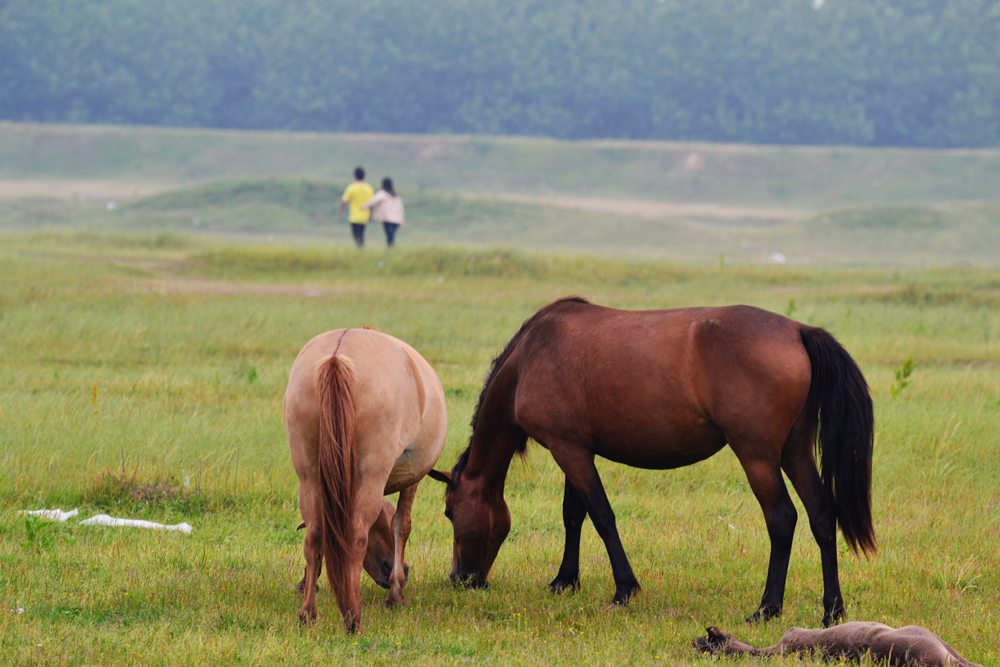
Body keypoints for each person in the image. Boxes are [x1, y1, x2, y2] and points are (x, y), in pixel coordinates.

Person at [362, 177, 405, 247]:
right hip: (397, 220)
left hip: (388, 219)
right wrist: (401, 220)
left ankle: (391, 249)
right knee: (391, 235)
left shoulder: (382, 193)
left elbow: (372, 201)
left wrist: (363, 207)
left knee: (390, 235)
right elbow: (401, 209)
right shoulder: (396, 195)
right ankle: (391, 249)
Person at [338, 167, 374, 247]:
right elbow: (371, 204)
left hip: (354, 216)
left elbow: (344, 201)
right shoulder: (369, 188)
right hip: (365, 216)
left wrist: (341, 211)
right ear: (364, 176)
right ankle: (361, 248)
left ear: (355, 176)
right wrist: (371, 215)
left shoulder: (352, 188)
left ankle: (360, 248)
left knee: (356, 235)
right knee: (361, 234)